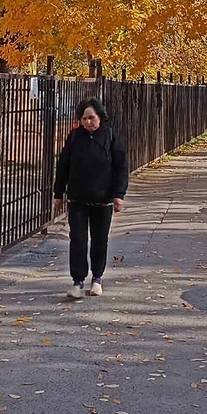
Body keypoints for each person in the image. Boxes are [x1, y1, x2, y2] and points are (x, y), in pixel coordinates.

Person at [52, 98, 128, 299]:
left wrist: (119, 194)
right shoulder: (75, 137)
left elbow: (121, 166)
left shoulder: (110, 135)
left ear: (100, 117)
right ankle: (78, 281)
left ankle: (97, 278)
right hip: (77, 198)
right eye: (84, 118)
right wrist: (58, 193)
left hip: (102, 199)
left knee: (99, 239)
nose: (87, 122)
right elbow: (63, 165)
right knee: (77, 239)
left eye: (91, 118)